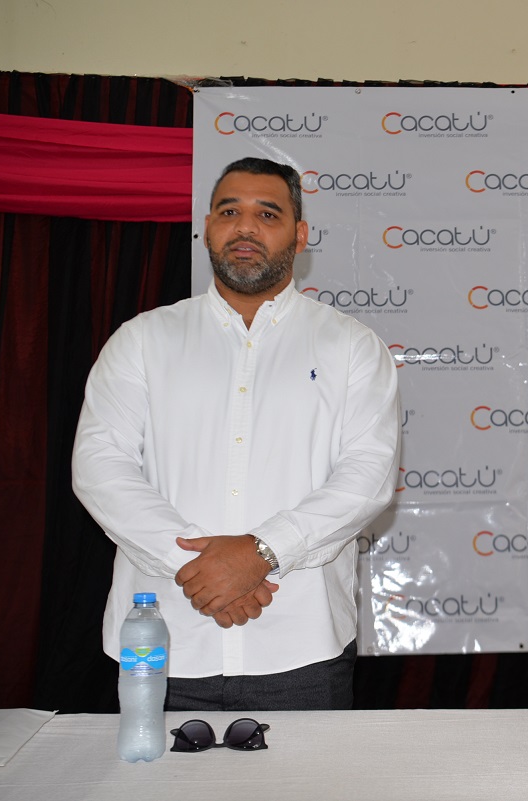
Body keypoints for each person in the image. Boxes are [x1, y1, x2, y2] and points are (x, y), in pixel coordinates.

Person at [72, 157, 400, 711]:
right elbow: (101, 468)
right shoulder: (142, 340)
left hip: (302, 648)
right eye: (230, 211)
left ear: (299, 234)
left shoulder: (351, 346)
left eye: (267, 213)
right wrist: (199, 570)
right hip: (164, 644)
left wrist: (261, 553)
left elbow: (367, 477)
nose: (245, 227)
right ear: (206, 225)